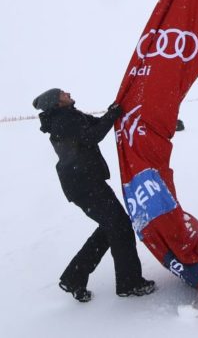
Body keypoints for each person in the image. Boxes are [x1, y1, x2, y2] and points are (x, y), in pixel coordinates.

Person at [33, 88, 155, 303]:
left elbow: (99, 124)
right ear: (57, 102)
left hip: (87, 183)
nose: (67, 93)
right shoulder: (63, 120)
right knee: (120, 226)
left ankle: (74, 277)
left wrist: (114, 111)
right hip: (84, 185)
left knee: (110, 227)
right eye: (62, 93)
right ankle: (129, 283)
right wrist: (112, 114)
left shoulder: (72, 115)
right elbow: (92, 136)